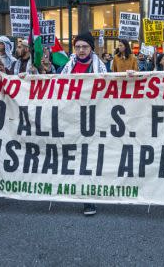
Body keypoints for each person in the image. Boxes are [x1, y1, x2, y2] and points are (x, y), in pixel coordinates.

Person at [61, 32, 106, 216]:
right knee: (76, 157)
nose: (81, 50)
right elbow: (55, 85)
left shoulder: (101, 67)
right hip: (72, 118)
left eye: (85, 47)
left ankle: (89, 199)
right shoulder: (68, 66)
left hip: (94, 118)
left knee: (90, 159)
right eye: (78, 47)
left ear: (91, 48)